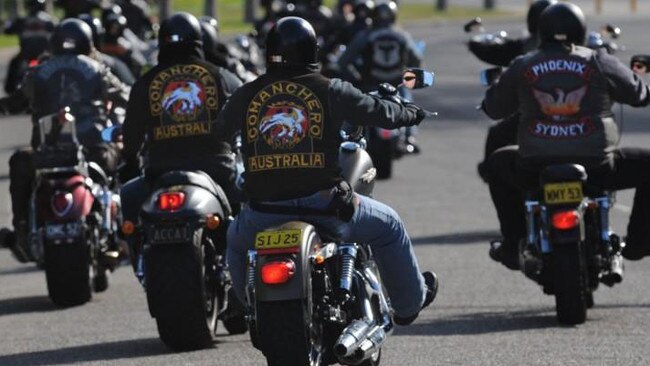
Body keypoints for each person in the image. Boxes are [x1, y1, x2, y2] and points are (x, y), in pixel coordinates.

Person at [216, 16, 438, 325]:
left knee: (236, 241)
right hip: (323, 207)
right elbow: (380, 112)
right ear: (312, 52)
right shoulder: (329, 89)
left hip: (263, 213)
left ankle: (250, 307)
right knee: (390, 226)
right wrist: (411, 112)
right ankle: (408, 304)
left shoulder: (246, 94)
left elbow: (219, 134)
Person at [481, 2, 650, 269]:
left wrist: (494, 93)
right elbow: (637, 93)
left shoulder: (523, 65)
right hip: (597, 165)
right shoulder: (598, 60)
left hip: (534, 165)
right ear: (580, 31)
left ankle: (514, 244)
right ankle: (640, 242)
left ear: (541, 30)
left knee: (497, 163)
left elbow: (495, 108)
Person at [1, 19, 129, 262]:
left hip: (47, 153)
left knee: (20, 162)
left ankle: (21, 231)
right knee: (129, 154)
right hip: (94, 149)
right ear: (87, 43)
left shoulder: (38, 73)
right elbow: (126, 96)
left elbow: (15, 102)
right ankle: (129, 230)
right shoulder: (98, 69)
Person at [119, 13, 242, 264]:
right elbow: (245, 117)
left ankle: (139, 259)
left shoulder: (146, 82)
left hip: (160, 173)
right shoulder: (219, 76)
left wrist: (129, 162)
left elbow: (131, 135)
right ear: (198, 42)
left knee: (128, 195)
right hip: (216, 172)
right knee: (247, 215)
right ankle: (239, 269)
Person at [473, 0, 557, 182]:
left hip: (534, 119)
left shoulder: (524, 60)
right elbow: (631, 91)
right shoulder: (592, 57)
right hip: (581, 127)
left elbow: (496, 106)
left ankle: (491, 175)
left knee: (497, 162)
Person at [337, 1, 423, 153]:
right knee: (409, 104)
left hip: (370, 84)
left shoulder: (366, 35)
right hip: (396, 86)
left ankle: (347, 137)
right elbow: (416, 59)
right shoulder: (402, 35)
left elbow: (344, 61)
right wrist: (407, 73)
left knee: (355, 107)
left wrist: (354, 77)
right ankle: (410, 137)